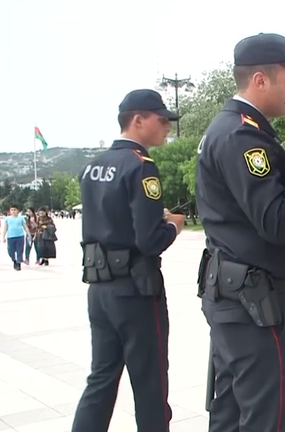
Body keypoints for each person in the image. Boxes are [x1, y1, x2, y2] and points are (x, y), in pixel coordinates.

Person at [195, 33, 285, 432]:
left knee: (231, 416)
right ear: (261, 81)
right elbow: (278, 222)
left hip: (235, 296)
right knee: (272, 417)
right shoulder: (243, 135)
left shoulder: (229, 128)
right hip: (256, 305)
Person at [71, 89, 185, 432]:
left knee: (101, 380)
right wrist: (173, 226)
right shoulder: (141, 166)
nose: (167, 127)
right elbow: (149, 241)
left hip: (100, 288)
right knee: (150, 384)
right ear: (138, 120)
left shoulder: (92, 167)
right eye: (161, 120)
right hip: (135, 289)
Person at [1, 204, 31, 271]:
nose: (13, 211)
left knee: (19, 250)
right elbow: (5, 228)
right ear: (10, 211)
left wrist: (28, 234)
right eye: (12, 210)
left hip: (20, 236)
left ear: (18, 211)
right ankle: (14, 260)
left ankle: (18, 263)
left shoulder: (21, 218)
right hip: (10, 237)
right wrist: (3, 237)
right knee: (10, 251)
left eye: (15, 210)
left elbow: (25, 226)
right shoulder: (7, 219)